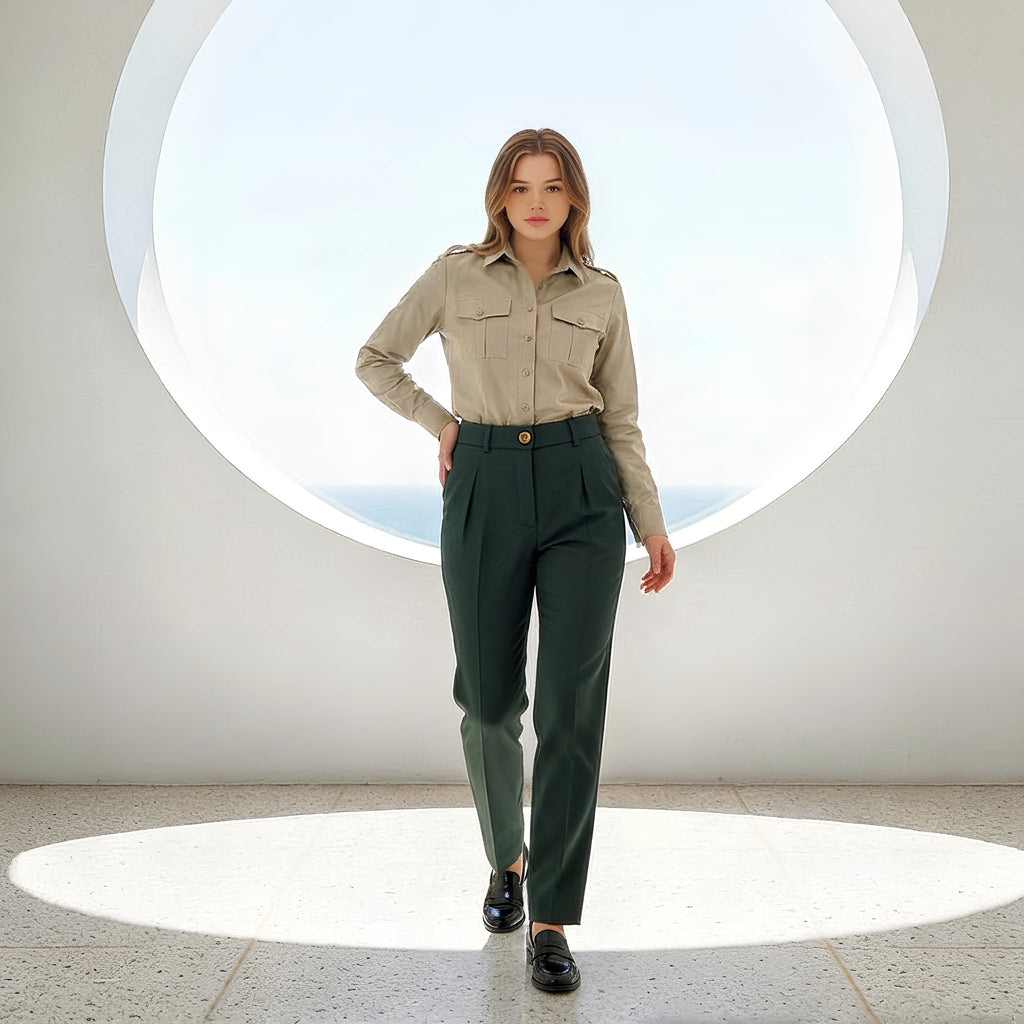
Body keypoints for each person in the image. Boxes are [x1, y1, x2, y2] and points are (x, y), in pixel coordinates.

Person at [354, 127, 675, 993]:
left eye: (554, 187)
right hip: (485, 483)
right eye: (522, 186)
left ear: (574, 201)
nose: (537, 201)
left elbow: (622, 417)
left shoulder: (603, 295)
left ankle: (553, 920)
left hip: (583, 489)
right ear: (500, 196)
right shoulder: (455, 276)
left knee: (572, 711)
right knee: (491, 701)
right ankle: (508, 859)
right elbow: (375, 359)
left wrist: (648, 520)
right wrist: (440, 423)